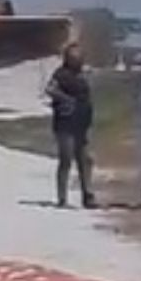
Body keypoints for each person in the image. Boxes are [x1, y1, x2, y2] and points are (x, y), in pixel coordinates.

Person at [44, 42, 97, 208]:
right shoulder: (61, 74)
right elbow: (50, 89)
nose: (78, 59)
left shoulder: (82, 74)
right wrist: (66, 99)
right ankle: (62, 198)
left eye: (80, 56)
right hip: (65, 124)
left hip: (82, 124)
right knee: (66, 159)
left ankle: (88, 196)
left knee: (86, 160)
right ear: (68, 58)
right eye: (75, 57)